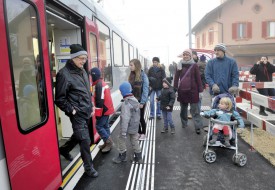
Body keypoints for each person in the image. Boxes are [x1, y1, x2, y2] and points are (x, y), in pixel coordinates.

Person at [55, 44, 98, 177]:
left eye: (85, 59)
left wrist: (91, 105)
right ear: (73, 58)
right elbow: (59, 99)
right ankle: (88, 168)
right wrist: (72, 111)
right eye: (81, 58)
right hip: (77, 113)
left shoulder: (83, 71)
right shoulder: (63, 74)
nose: (83, 61)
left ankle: (64, 149)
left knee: (79, 135)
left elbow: (86, 90)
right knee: (85, 140)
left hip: (86, 110)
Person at [173, 49, 203, 134]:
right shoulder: (179, 65)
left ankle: (197, 126)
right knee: (183, 109)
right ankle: (184, 123)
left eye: (187, 55)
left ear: (190, 56)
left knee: (195, 110)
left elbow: (198, 78)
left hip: (193, 91)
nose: (185, 56)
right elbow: (176, 78)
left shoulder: (194, 65)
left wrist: (200, 91)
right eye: (184, 55)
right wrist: (175, 88)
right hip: (182, 90)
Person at [112, 82, 142, 164]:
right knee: (134, 139)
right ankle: (139, 157)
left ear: (124, 92)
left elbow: (125, 118)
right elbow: (133, 113)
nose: (121, 92)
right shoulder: (134, 99)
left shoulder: (126, 103)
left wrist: (123, 132)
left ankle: (122, 156)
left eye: (121, 91)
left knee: (120, 139)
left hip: (128, 125)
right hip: (135, 124)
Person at [90, 67, 115, 152]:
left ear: (94, 76)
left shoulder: (99, 85)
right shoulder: (101, 83)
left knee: (99, 126)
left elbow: (99, 101)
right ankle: (106, 142)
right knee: (105, 126)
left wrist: (97, 114)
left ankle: (109, 142)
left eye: (91, 75)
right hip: (107, 109)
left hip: (104, 110)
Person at [128, 59, 149, 141]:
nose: (130, 67)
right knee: (134, 118)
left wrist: (143, 102)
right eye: (130, 65)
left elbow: (145, 90)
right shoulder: (131, 75)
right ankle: (139, 132)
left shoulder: (143, 76)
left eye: (131, 65)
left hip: (140, 101)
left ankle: (143, 134)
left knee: (140, 118)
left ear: (136, 66)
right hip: (133, 100)